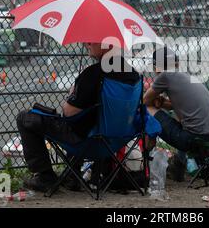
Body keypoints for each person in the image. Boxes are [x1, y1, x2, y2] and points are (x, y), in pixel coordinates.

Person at [16, 43, 140, 192]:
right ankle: (72, 176)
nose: (87, 43)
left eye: (92, 40)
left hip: (87, 141)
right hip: (115, 141)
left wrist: (71, 95)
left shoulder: (94, 73)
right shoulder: (133, 75)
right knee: (85, 121)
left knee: (25, 118)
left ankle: (45, 177)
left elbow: (69, 112)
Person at [143, 47, 209, 181]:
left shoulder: (165, 75)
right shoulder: (187, 76)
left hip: (193, 138)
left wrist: (156, 101)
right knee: (182, 121)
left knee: (148, 110)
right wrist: (162, 103)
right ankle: (178, 166)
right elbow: (179, 105)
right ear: (177, 63)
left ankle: (145, 159)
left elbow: (145, 101)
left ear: (156, 67)